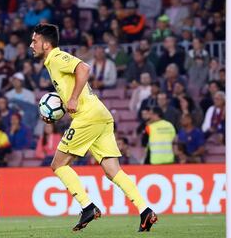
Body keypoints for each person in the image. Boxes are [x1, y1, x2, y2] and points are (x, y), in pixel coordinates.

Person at [29, 23, 157, 232]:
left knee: (58, 164)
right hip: (100, 115)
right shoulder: (51, 63)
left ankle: (87, 207)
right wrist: (59, 111)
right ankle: (145, 211)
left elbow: (84, 68)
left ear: (46, 44)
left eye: (34, 41)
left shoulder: (57, 58)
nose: (31, 44)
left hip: (87, 116)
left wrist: (72, 98)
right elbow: (70, 93)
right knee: (112, 170)